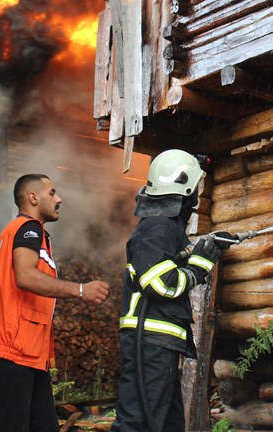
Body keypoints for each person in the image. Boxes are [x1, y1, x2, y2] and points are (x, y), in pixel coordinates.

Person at [110, 150, 234, 432]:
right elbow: (160, 283)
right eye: (196, 188)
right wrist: (200, 267)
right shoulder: (157, 227)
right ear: (185, 189)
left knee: (167, 424)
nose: (197, 197)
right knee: (138, 422)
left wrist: (207, 248)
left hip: (159, 341)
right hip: (150, 339)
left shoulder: (165, 228)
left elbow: (170, 266)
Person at [0, 173, 111, 432]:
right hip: (12, 352)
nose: (59, 198)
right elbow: (26, 276)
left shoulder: (18, 232)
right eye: (52, 192)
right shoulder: (29, 228)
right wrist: (81, 290)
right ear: (33, 197)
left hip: (25, 355)